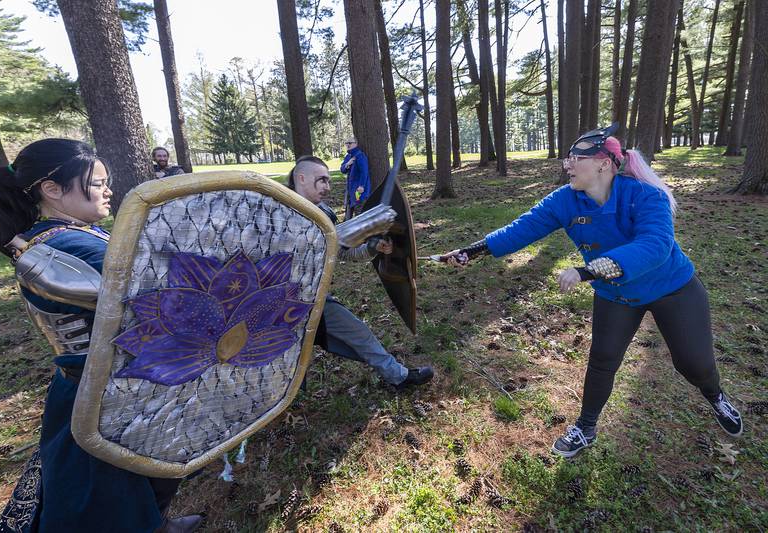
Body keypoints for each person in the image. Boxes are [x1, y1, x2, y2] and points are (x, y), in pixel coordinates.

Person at [442, 123, 743, 458]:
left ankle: (715, 396)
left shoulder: (646, 195)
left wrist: (589, 270)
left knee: (694, 364)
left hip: (671, 288)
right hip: (617, 293)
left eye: (574, 159)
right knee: (602, 360)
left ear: (603, 163)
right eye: (567, 159)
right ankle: (586, 427)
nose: (566, 165)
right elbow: (523, 227)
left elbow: (655, 246)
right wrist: (474, 250)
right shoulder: (566, 200)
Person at [0, 139, 201, 532]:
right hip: (106, 389)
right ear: (51, 189)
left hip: (102, 382)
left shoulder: (66, 234)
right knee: (106, 497)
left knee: (139, 473)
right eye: (97, 182)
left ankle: (158, 523)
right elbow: (163, 292)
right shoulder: (69, 243)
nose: (108, 190)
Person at [288, 155, 434, 388]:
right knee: (285, 361)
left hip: (316, 301)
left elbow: (343, 252)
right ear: (301, 178)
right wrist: (364, 225)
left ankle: (399, 377)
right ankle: (283, 405)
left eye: (328, 180)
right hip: (276, 306)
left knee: (359, 333)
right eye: (322, 180)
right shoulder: (279, 213)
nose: (327, 186)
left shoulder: (324, 215)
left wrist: (373, 248)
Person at [340, 138, 370, 219]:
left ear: (356, 144)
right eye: (346, 143)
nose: (348, 145)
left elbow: (364, 172)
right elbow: (342, 170)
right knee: (348, 215)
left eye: (350, 143)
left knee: (359, 215)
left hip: (359, 191)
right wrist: (348, 164)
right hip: (350, 191)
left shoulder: (360, 156)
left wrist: (361, 186)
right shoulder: (348, 156)